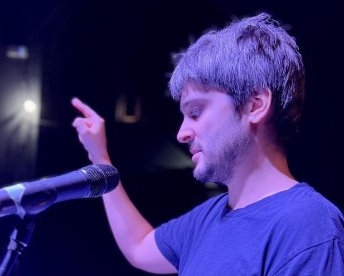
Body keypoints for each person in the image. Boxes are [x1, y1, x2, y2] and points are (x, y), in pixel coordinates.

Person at [71, 12, 344, 275]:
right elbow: (138, 247)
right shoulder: (206, 219)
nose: (182, 133)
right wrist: (100, 159)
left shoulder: (307, 223)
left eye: (196, 112)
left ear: (255, 105)